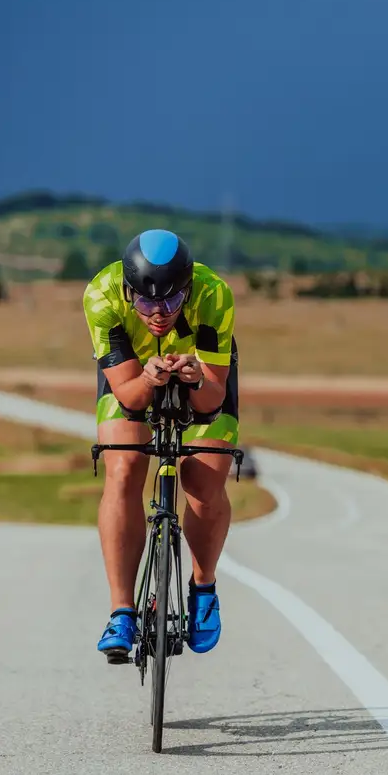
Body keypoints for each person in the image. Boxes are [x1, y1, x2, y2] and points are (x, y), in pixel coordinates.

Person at [81, 228, 240, 662]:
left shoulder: (213, 294)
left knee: (204, 480)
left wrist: (195, 379)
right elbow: (130, 399)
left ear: (188, 288)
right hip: (133, 375)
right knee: (123, 469)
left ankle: (203, 587)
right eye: (146, 303)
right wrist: (149, 379)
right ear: (128, 292)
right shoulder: (102, 295)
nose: (158, 315)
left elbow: (212, 400)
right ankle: (121, 612)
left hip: (202, 375)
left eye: (172, 302)